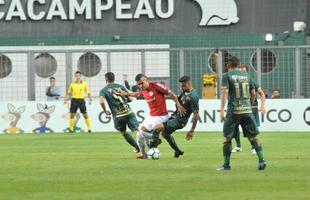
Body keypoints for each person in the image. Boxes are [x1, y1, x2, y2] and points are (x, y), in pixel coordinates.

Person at [121, 74, 186, 159]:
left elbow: (171, 94)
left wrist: (178, 105)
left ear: (146, 80)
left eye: (142, 83)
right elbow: (137, 94)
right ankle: (143, 155)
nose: (140, 86)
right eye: (138, 84)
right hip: (152, 116)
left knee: (142, 131)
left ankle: (156, 139)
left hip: (161, 116)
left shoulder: (156, 86)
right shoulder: (143, 90)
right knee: (139, 134)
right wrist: (126, 94)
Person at [218, 57, 266, 171]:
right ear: (238, 65)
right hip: (247, 110)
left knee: (227, 138)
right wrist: (249, 103)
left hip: (233, 111)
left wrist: (221, 109)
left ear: (228, 66)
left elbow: (225, 92)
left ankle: (226, 165)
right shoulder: (246, 76)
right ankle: (261, 160)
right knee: (253, 137)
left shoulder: (227, 75)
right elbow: (254, 93)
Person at [152, 76, 200, 158]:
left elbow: (196, 114)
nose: (182, 87)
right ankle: (178, 151)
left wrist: (192, 130)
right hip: (175, 116)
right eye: (181, 85)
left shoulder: (193, 97)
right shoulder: (185, 91)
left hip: (180, 121)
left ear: (189, 84)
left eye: (183, 85)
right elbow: (177, 98)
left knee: (157, 128)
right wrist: (162, 98)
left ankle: (152, 147)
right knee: (165, 134)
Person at [99, 72, 140, 153]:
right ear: (114, 78)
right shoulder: (121, 87)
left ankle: (137, 148)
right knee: (138, 131)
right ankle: (151, 142)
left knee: (124, 132)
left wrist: (105, 110)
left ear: (106, 79)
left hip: (118, 116)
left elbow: (101, 102)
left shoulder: (103, 90)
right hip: (128, 112)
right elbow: (130, 98)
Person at [232, 65, 266, 154]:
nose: (241, 73)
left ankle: (253, 147)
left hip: (251, 108)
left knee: (251, 128)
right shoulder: (236, 82)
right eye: (240, 71)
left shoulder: (251, 80)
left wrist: (262, 106)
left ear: (247, 72)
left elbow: (261, 93)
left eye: (243, 71)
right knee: (235, 127)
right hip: (239, 107)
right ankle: (238, 146)